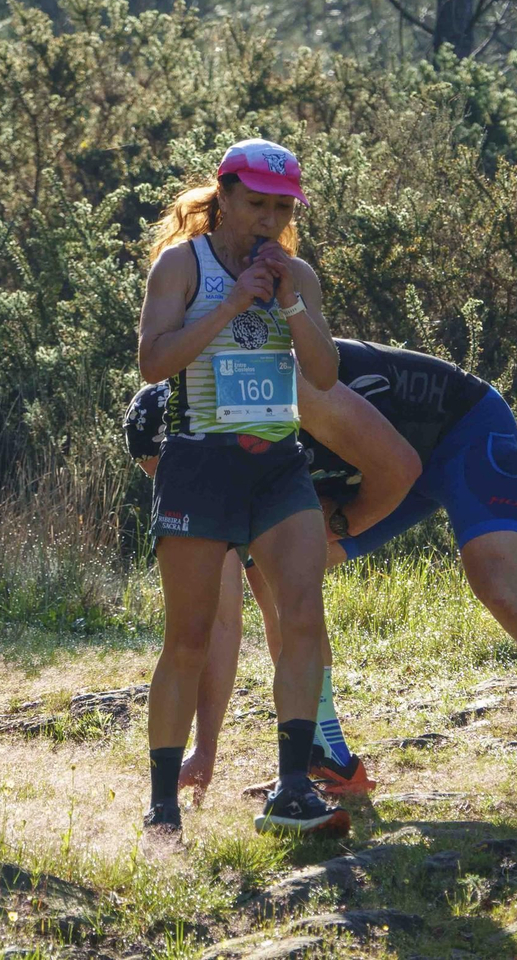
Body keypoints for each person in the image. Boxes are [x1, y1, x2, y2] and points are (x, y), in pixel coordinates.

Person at [125, 339, 517, 811]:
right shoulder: (209, 458)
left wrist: (340, 528)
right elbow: (219, 620)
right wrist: (205, 750)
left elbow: (399, 465)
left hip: (459, 428)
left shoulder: (269, 389)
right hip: (382, 463)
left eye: (173, 474)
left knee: (499, 581)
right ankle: (328, 762)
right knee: (275, 577)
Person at [135, 137, 348, 841]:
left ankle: (293, 789)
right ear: (223, 196)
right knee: (189, 638)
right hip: (200, 465)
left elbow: (322, 374)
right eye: (256, 203)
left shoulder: (299, 275)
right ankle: (163, 807)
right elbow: (152, 363)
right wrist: (229, 306)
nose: (269, 218)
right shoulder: (181, 265)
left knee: (303, 619)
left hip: (278, 466)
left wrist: (289, 303)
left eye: (282, 207)